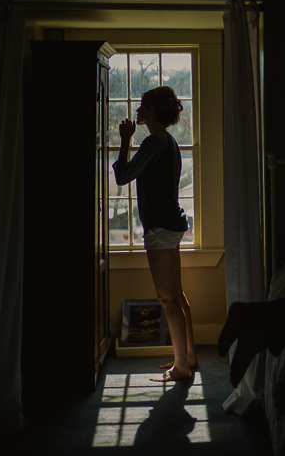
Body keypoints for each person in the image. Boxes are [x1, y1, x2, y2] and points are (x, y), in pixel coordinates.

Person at [112, 86, 197, 382]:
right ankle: (188, 356)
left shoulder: (154, 142)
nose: (137, 110)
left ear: (151, 111)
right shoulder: (168, 141)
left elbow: (122, 176)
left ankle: (182, 367)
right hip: (171, 224)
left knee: (166, 298)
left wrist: (125, 141)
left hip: (160, 227)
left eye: (142, 105)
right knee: (177, 294)